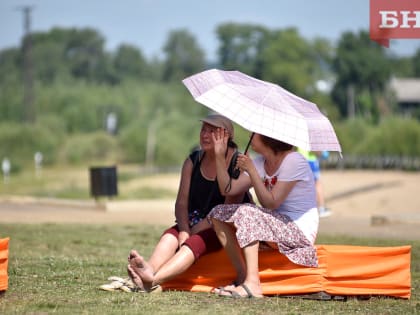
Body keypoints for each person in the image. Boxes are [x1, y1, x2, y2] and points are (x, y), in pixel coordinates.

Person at [124, 114, 250, 292]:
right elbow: (181, 203)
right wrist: (184, 230)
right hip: (194, 219)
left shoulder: (238, 164)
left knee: (195, 242)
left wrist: (192, 232)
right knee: (171, 235)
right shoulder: (193, 160)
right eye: (203, 130)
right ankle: (148, 269)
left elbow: (227, 210)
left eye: (212, 131)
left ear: (226, 136)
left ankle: (151, 280)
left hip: (223, 226)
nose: (204, 135)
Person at [207, 129, 319, 298]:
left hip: (298, 231)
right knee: (218, 213)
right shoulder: (261, 162)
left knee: (247, 212)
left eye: (254, 133)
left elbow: (271, 202)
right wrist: (219, 156)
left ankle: (253, 284)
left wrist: (251, 171)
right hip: (275, 225)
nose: (250, 136)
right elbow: (228, 189)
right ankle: (242, 277)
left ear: (268, 137)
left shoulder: (294, 161)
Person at [297, 149, 332, 218]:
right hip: (311, 161)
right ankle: (321, 209)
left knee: (301, 185)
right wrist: (323, 153)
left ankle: (303, 209)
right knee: (317, 184)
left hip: (300, 160)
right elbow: (316, 149)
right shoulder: (311, 137)